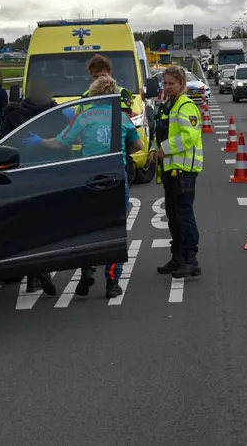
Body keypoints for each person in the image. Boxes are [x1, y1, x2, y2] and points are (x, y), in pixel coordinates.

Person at [24, 75, 142, 299]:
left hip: (91, 178)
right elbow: (138, 145)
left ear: (93, 94)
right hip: (116, 175)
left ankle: (87, 269)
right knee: (116, 229)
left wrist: (39, 141)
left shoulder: (83, 117)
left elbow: (60, 142)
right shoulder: (122, 117)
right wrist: (121, 151)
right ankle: (112, 282)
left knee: (89, 226)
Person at [0, 78, 60, 297]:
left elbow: (0, 143)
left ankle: (32, 272)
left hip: (20, 174)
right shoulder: (56, 114)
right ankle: (40, 270)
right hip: (50, 174)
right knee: (48, 226)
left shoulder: (15, 114)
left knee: (27, 225)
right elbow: (66, 142)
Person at [149, 65, 203, 279]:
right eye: (165, 83)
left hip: (184, 169)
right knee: (172, 215)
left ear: (182, 84)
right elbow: (160, 134)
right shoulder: (167, 106)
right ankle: (178, 257)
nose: (168, 87)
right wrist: (154, 149)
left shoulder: (186, 106)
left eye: (172, 83)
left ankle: (191, 260)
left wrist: (165, 148)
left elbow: (190, 135)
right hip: (170, 169)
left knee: (184, 214)